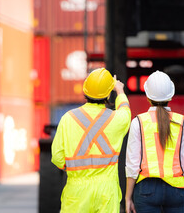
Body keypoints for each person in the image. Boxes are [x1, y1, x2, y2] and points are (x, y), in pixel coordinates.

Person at [51, 67, 131, 213]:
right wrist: (119, 90)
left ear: (85, 90)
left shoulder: (68, 119)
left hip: (76, 192)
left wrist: (76, 170)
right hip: (106, 192)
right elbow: (126, 111)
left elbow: (57, 158)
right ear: (108, 93)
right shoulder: (117, 119)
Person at [125, 70, 184, 213]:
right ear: (171, 95)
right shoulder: (182, 123)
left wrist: (128, 197)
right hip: (177, 190)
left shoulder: (138, 122)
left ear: (147, 95)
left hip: (146, 190)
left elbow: (132, 166)